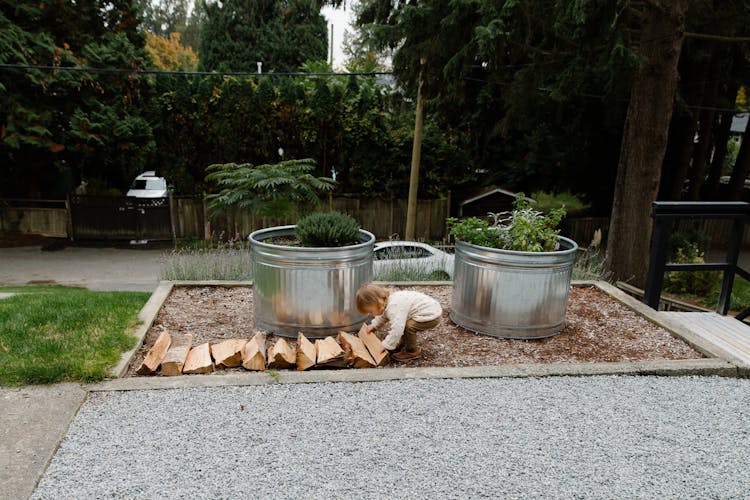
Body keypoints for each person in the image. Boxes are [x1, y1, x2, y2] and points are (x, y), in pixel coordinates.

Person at [355, 283, 443, 361]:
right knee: (404, 323)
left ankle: (411, 351)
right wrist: (374, 325)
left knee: (409, 327)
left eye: (370, 311)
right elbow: (383, 316)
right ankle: (404, 343)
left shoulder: (394, 307)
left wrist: (386, 345)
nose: (371, 315)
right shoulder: (386, 303)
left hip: (431, 315)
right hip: (426, 310)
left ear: (378, 303)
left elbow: (397, 329)